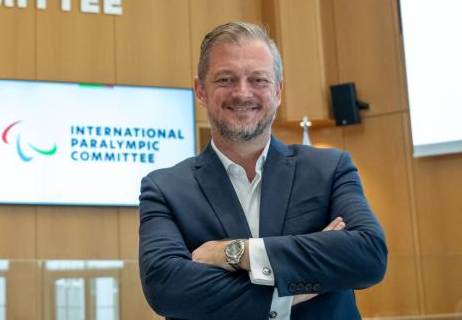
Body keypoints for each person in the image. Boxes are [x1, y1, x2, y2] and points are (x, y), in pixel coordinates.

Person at [139, 22, 387, 320]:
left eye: (258, 79)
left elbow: (368, 256)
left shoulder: (330, 168)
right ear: (200, 90)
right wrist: (299, 284)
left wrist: (235, 252)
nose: (242, 93)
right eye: (226, 79)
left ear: (278, 90)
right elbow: (166, 287)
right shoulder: (165, 188)